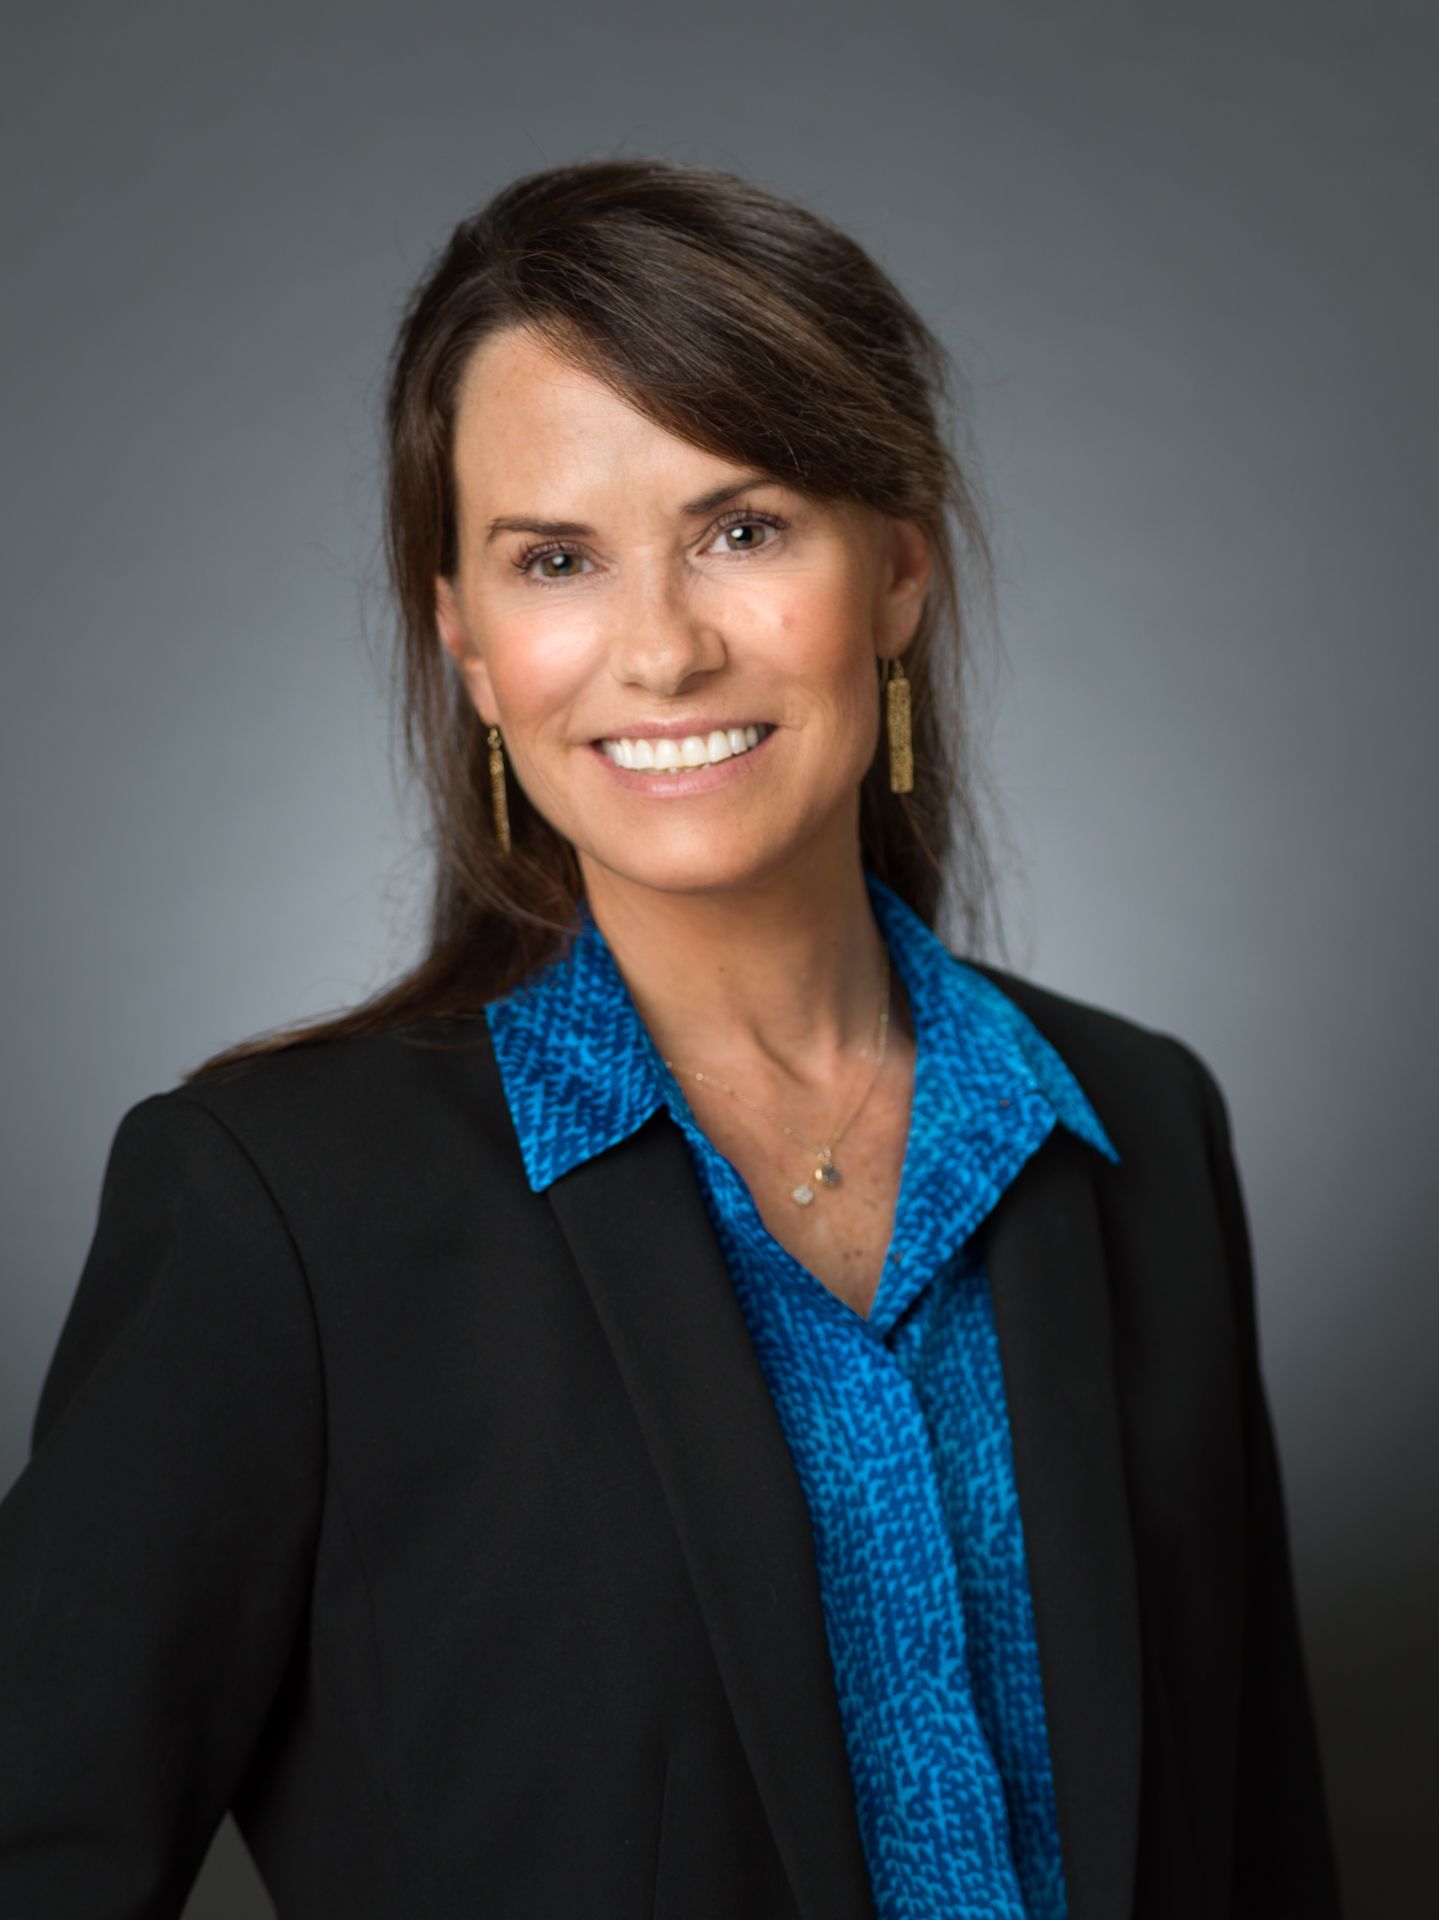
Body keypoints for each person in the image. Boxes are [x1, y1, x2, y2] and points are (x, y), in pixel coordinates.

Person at [0, 158, 1343, 1919]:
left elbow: (1260, 1849)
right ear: (469, 647)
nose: (662, 647)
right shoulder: (272, 1210)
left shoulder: (1140, 1127)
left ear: (901, 573)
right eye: (557, 560)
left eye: (744, 528)